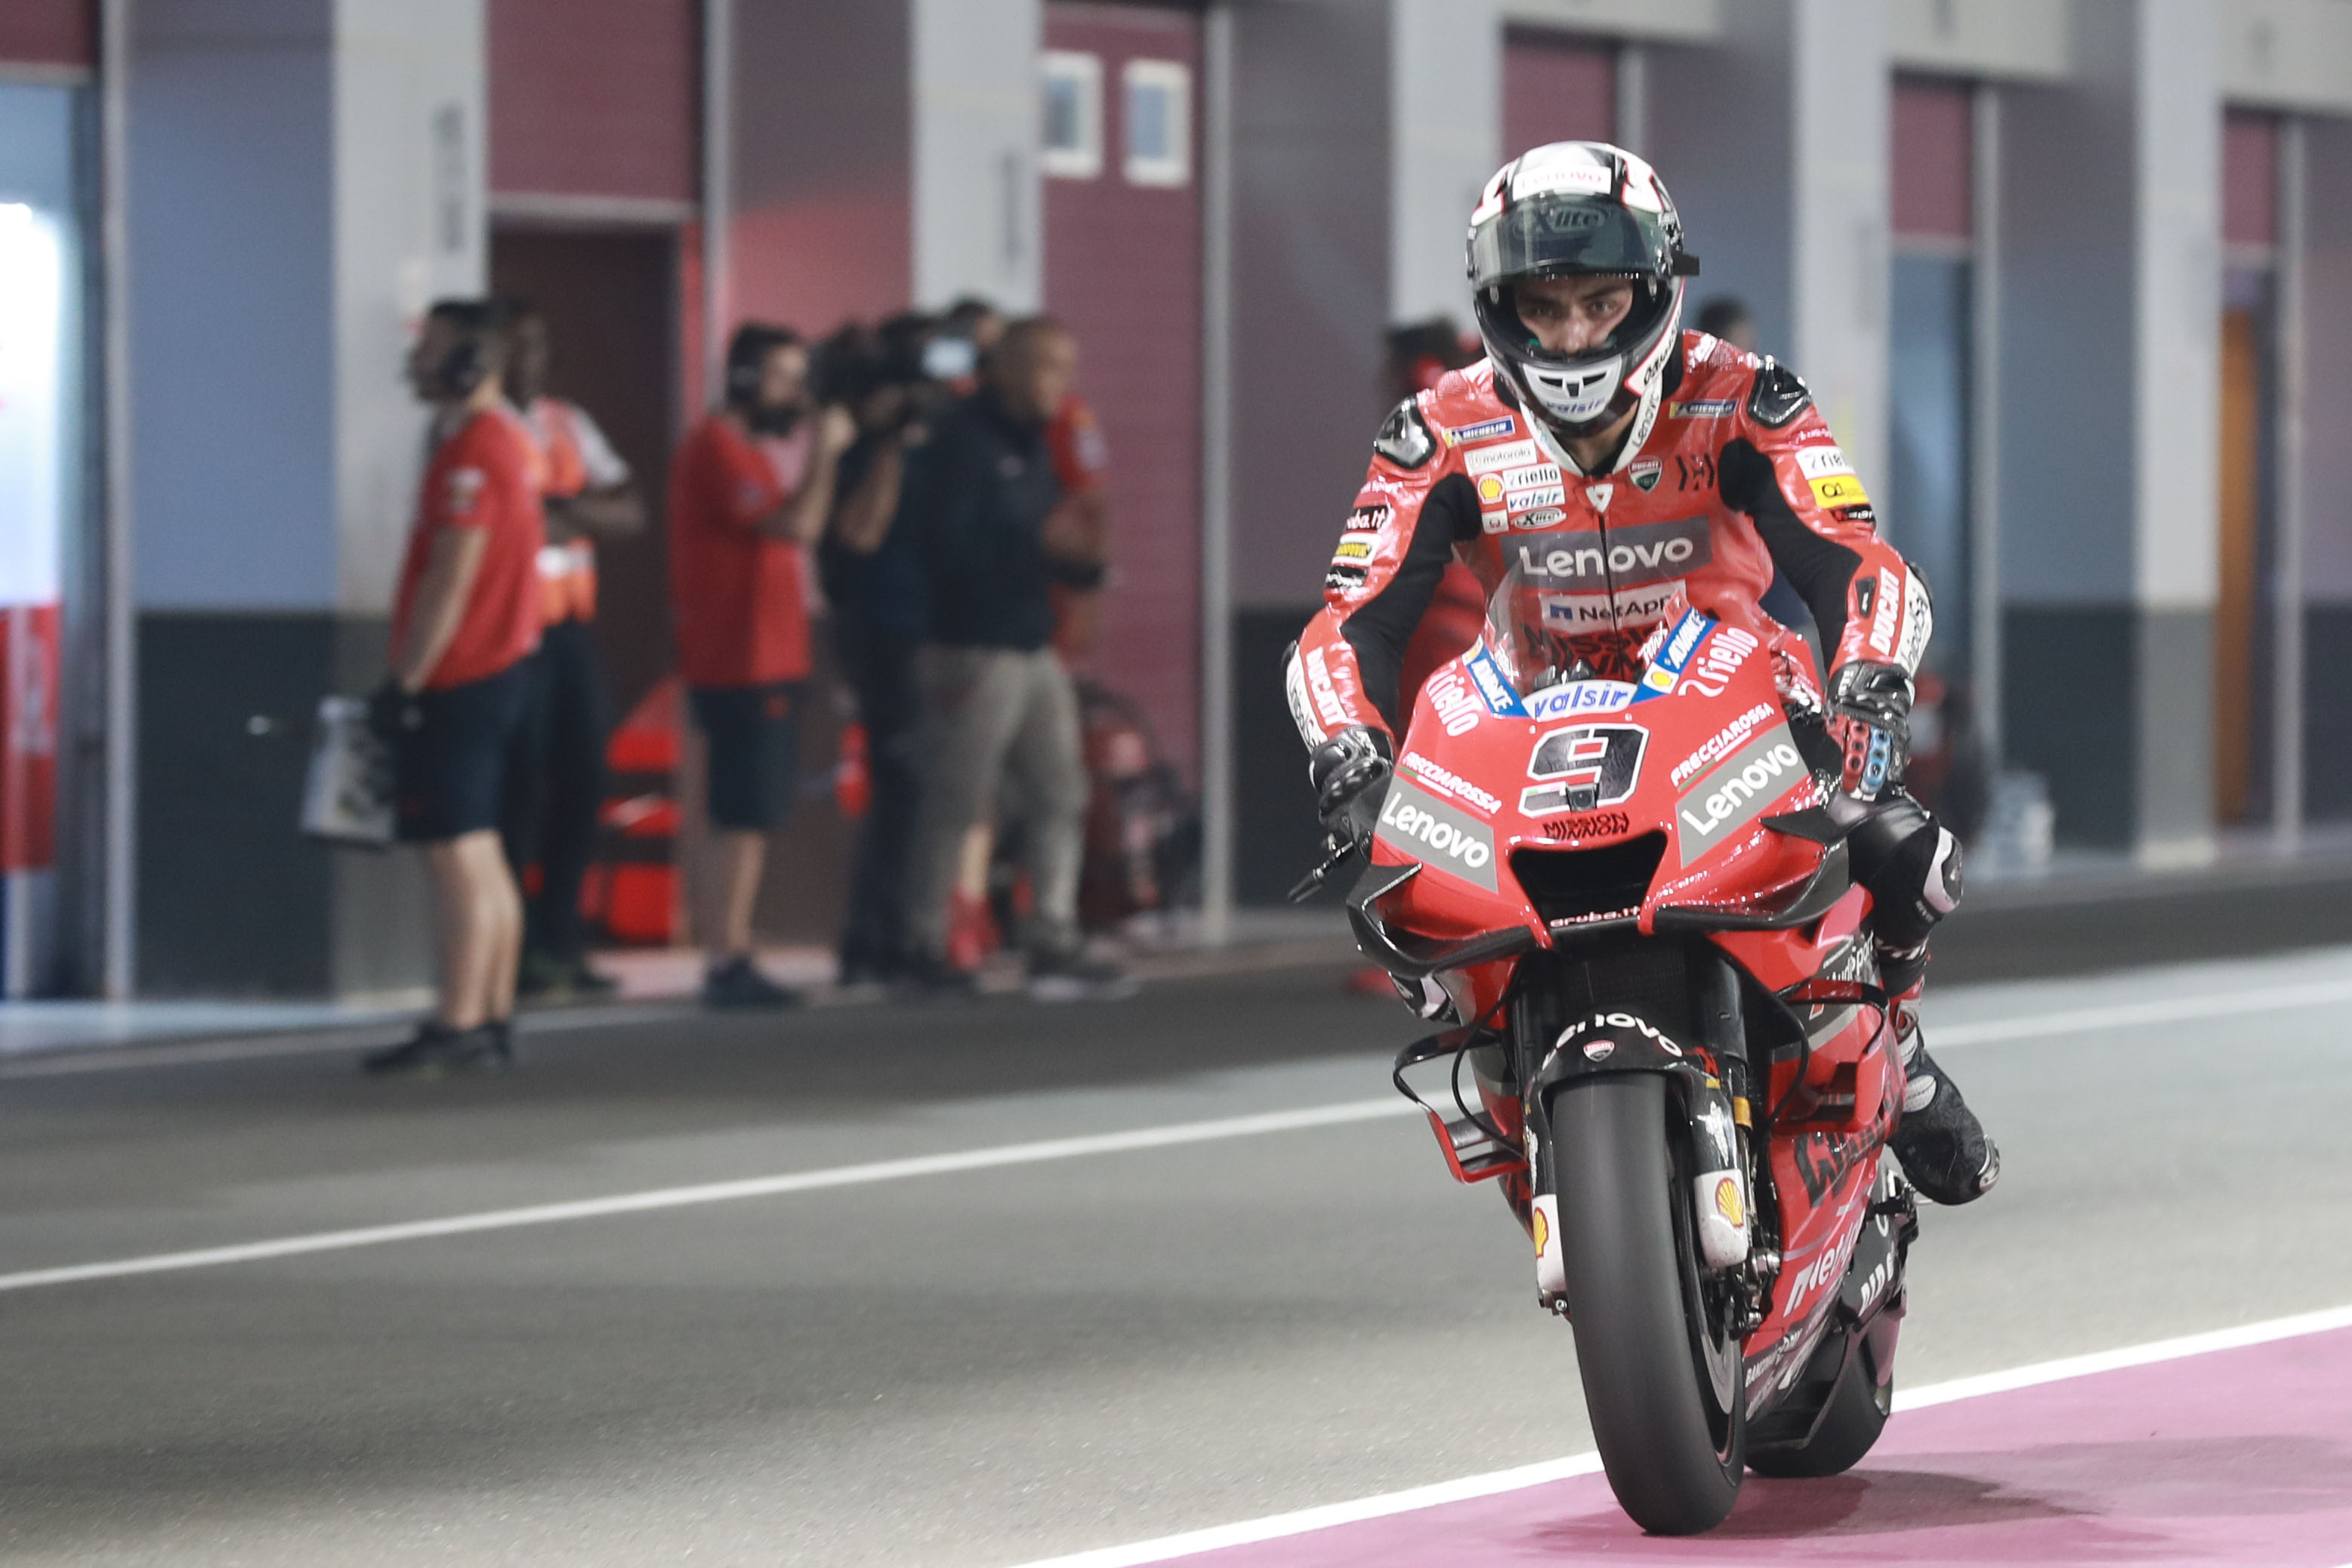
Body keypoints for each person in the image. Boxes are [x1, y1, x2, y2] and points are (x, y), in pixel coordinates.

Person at [1289, 141, 1996, 1205]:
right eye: (1542, 305)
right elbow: (1351, 618)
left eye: (1599, 299)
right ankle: (1516, 1086)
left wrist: (1870, 687)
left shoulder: (1747, 397)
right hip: (1524, 720)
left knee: (1903, 853)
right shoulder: (1436, 430)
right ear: (1497, 304)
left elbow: (1856, 560)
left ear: (1654, 289)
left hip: (1739, 703)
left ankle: (1895, 1043)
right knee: (1404, 915)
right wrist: (1347, 752)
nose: (1571, 333)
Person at [900, 316, 1131, 1001]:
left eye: (1062, 369)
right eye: (1041, 368)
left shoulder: (1034, 442)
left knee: (1062, 790)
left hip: (1032, 642)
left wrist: (1078, 572)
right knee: (956, 797)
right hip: (973, 644)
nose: (1055, 385)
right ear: (1002, 369)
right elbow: (947, 546)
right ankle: (924, 939)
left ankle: (1051, 932)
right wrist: (1037, 544)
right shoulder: (962, 441)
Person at [363, 300, 547, 1076]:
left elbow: (452, 573)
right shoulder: (502, 439)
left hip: (464, 670)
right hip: (500, 668)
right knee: (481, 849)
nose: (422, 361)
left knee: (456, 849)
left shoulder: (476, 450)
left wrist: (407, 677)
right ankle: (490, 1012)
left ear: (474, 361)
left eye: (436, 349)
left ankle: (461, 1017)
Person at [668, 323, 857, 1008]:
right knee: (740, 814)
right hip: (740, 657)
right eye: (784, 377)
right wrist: (827, 454)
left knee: (748, 811)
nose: (797, 395)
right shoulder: (719, 447)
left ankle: (729, 945)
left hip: (769, 650)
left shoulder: (743, 450)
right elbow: (796, 526)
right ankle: (727, 951)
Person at [495, 300, 646, 1001]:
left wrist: (564, 513)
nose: (527, 358)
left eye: (538, 345)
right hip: (505, 632)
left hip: (567, 631)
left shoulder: (567, 424)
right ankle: (514, 945)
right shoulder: (480, 425)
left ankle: (560, 936)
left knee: (584, 777)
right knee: (516, 791)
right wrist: (556, 513)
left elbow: (630, 510)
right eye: (514, 344)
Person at [816, 316, 934, 986]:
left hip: (915, 627)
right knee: (901, 785)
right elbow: (859, 535)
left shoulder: (916, 449)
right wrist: (890, 445)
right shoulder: (853, 454)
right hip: (877, 630)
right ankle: (875, 936)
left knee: (910, 792)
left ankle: (887, 931)